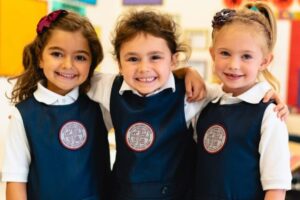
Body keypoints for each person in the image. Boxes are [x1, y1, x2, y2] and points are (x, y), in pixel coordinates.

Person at [88, 9, 289, 200]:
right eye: (133, 59)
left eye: (155, 57)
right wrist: (187, 72)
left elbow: (233, 94)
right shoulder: (107, 87)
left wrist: (267, 93)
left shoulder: (195, 95)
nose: (144, 68)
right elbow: (76, 76)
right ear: (119, 64)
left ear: (173, 60)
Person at [1, 10, 111, 200]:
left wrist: (180, 74)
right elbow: (15, 182)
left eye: (80, 57)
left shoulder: (100, 106)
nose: (68, 65)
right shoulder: (23, 115)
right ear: (40, 58)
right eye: (57, 54)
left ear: (91, 64)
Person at [194, 2, 292, 200]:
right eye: (225, 53)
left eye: (246, 56)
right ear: (212, 54)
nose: (234, 65)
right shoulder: (205, 103)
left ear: (264, 61)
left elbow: (276, 188)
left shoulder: (269, 114)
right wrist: (188, 72)